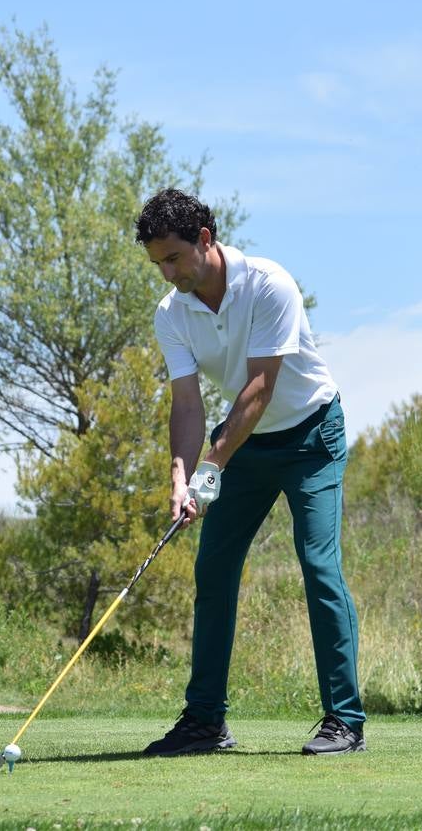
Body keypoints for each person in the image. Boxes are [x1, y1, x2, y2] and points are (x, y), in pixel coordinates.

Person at [132, 188, 366, 756]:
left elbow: (261, 387)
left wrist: (211, 467)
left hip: (311, 435)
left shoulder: (269, 284)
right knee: (213, 570)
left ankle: (345, 721)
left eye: (173, 258)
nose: (167, 273)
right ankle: (206, 722)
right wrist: (180, 477)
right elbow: (187, 404)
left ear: (204, 240)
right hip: (244, 446)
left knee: (318, 565)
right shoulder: (173, 314)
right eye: (157, 262)